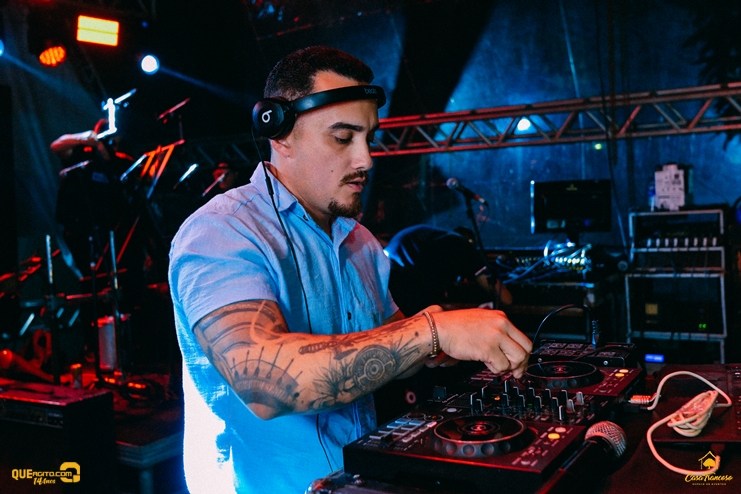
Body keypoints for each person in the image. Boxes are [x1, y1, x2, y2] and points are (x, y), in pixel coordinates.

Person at [168, 45, 532, 494]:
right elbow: (264, 383)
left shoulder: (360, 243)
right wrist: (431, 332)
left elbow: (391, 347)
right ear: (279, 134)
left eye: (368, 139)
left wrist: (449, 339)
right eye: (343, 138)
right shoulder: (220, 231)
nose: (366, 159)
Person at [385, 224, 513, 317]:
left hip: (388, 281)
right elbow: (506, 299)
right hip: (406, 283)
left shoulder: (436, 239)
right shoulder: (463, 247)